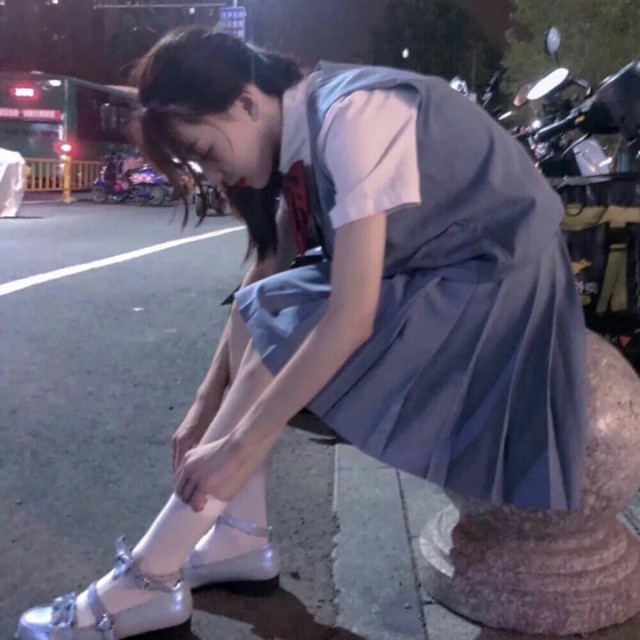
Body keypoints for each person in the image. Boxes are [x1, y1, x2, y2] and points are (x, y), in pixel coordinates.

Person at [16, 26, 588, 639]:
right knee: (264, 305)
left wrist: (238, 447)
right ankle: (238, 536)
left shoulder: (351, 117)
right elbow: (262, 285)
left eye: (204, 151)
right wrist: (204, 405)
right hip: (438, 272)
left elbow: (350, 316)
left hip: (497, 284)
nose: (211, 173)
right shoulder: (304, 132)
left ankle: (148, 577)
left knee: (297, 321)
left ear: (245, 101)